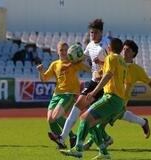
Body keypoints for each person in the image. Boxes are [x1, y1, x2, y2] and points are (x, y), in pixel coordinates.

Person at [82, 40, 151, 151]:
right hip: (109, 98)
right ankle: (102, 142)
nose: (124, 52)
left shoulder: (137, 69)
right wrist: (99, 67)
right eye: (123, 49)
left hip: (120, 103)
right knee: (97, 122)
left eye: (128, 50)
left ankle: (97, 145)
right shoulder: (116, 62)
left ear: (133, 53)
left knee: (97, 122)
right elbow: (102, 75)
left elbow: (150, 82)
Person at [60, 38, 126, 160]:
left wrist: (94, 91)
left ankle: (78, 149)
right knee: (92, 125)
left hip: (111, 97)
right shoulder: (121, 61)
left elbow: (107, 75)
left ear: (110, 47)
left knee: (84, 117)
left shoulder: (111, 58)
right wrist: (101, 64)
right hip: (119, 101)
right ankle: (104, 153)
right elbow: (112, 73)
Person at [48, 19, 111, 148]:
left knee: (92, 118)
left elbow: (112, 65)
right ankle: (63, 138)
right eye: (90, 33)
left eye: (94, 33)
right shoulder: (90, 45)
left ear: (100, 32)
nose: (92, 35)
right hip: (94, 82)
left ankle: (104, 141)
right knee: (78, 107)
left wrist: (101, 66)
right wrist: (68, 65)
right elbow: (81, 59)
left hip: (105, 84)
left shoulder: (106, 46)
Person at [36, 41, 90, 149]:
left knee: (56, 117)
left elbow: (88, 69)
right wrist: (41, 71)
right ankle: (64, 141)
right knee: (50, 120)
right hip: (57, 94)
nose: (64, 52)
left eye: (66, 50)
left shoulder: (73, 62)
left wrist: (86, 60)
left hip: (70, 94)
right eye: (61, 50)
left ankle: (69, 136)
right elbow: (44, 79)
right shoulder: (55, 64)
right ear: (57, 51)